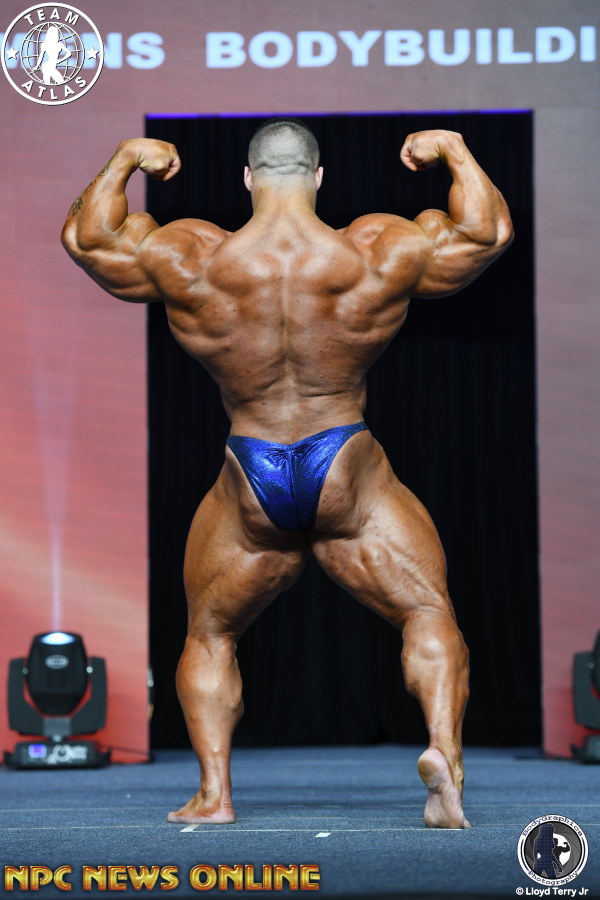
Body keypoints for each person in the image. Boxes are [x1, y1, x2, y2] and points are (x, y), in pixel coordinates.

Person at [61, 119, 513, 829]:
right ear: (319, 177)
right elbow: (485, 234)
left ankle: (214, 795)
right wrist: (454, 149)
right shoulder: (373, 249)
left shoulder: (193, 255)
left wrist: (124, 160)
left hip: (253, 466)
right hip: (345, 460)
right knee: (426, 611)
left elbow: (88, 240)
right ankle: (443, 759)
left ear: (247, 178)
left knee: (211, 633)